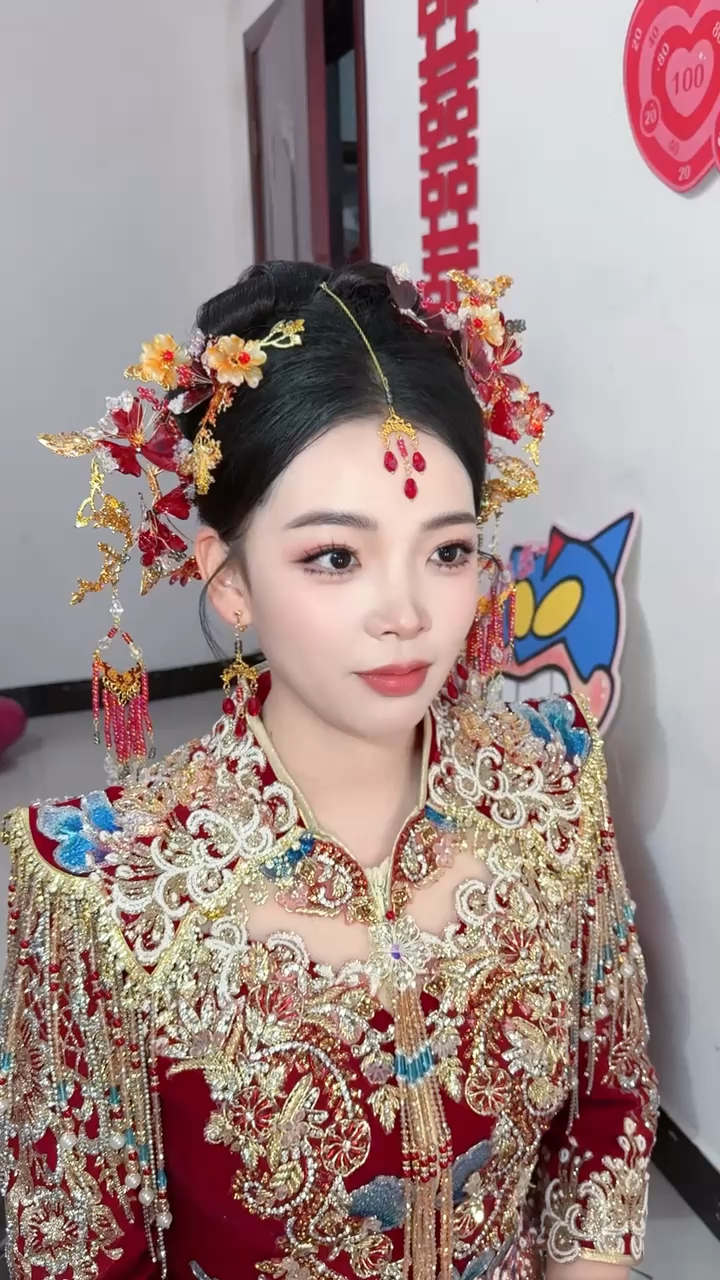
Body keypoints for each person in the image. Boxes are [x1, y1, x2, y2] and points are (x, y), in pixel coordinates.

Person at [0, 261, 658, 1280]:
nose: (407, 612)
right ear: (230, 582)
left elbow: (609, 1103)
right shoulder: (100, 888)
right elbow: (78, 1247)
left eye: (447, 551)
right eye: (336, 558)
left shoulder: (551, 780)